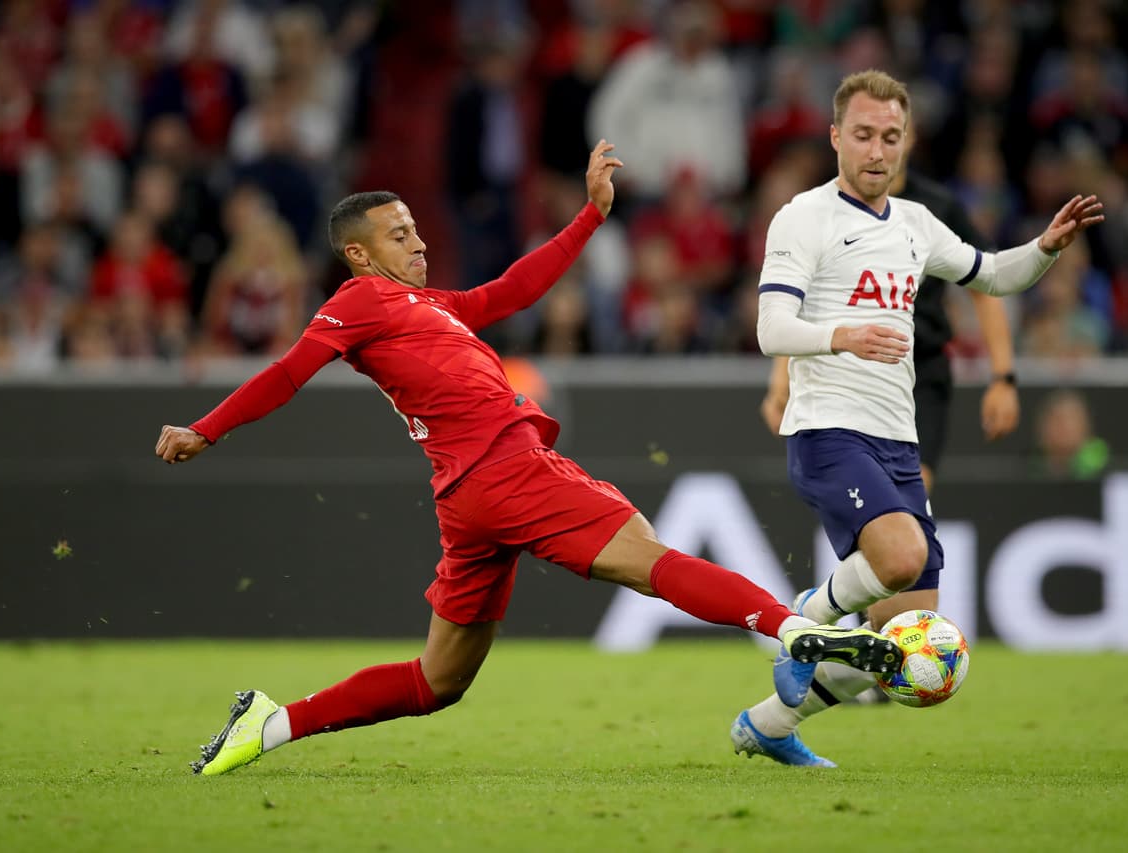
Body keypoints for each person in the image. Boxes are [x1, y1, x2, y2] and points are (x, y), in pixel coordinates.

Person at [157, 140, 899, 777]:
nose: (416, 243)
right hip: (504, 470)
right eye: (398, 235)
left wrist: (590, 215)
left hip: (468, 496)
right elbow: (288, 372)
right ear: (358, 254)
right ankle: (793, 630)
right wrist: (208, 426)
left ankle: (270, 724)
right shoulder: (355, 303)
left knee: (439, 679)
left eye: (415, 228)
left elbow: (510, 289)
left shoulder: (428, 306)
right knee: (646, 553)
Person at [730, 70, 1103, 767]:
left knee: (901, 643)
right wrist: (841, 334)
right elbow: (771, 327)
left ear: (906, 142)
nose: (877, 150)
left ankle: (770, 722)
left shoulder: (916, 223)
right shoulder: (803, 216)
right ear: (837, 136)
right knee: (898, 557)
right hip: (828, 428)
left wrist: (1045, 249)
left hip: (899, 438)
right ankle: (811, 614)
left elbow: (993, 275)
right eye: (864, 135)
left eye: (891, 137)